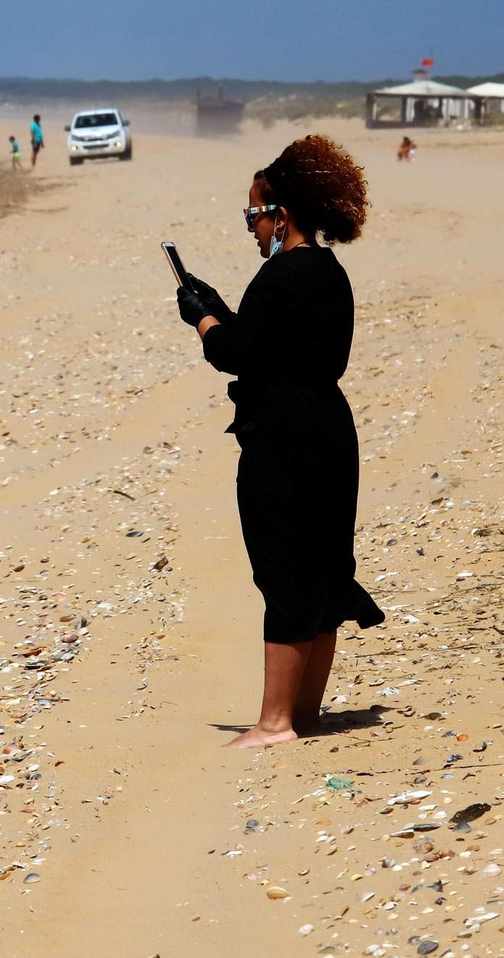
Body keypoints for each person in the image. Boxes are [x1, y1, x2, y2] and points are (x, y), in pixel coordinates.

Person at [176, 134, 385, 749]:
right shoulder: (329, 273)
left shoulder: (277, 277)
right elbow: (278, 348)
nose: (250, 227)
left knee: (285, 567)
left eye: (252, 215)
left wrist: (202, 317)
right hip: (329, 427)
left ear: (280, 214)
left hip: (282, 438)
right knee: (324, 566)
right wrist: (217, 308)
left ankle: (273, 723)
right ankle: (305, 714)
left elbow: (236, 354)